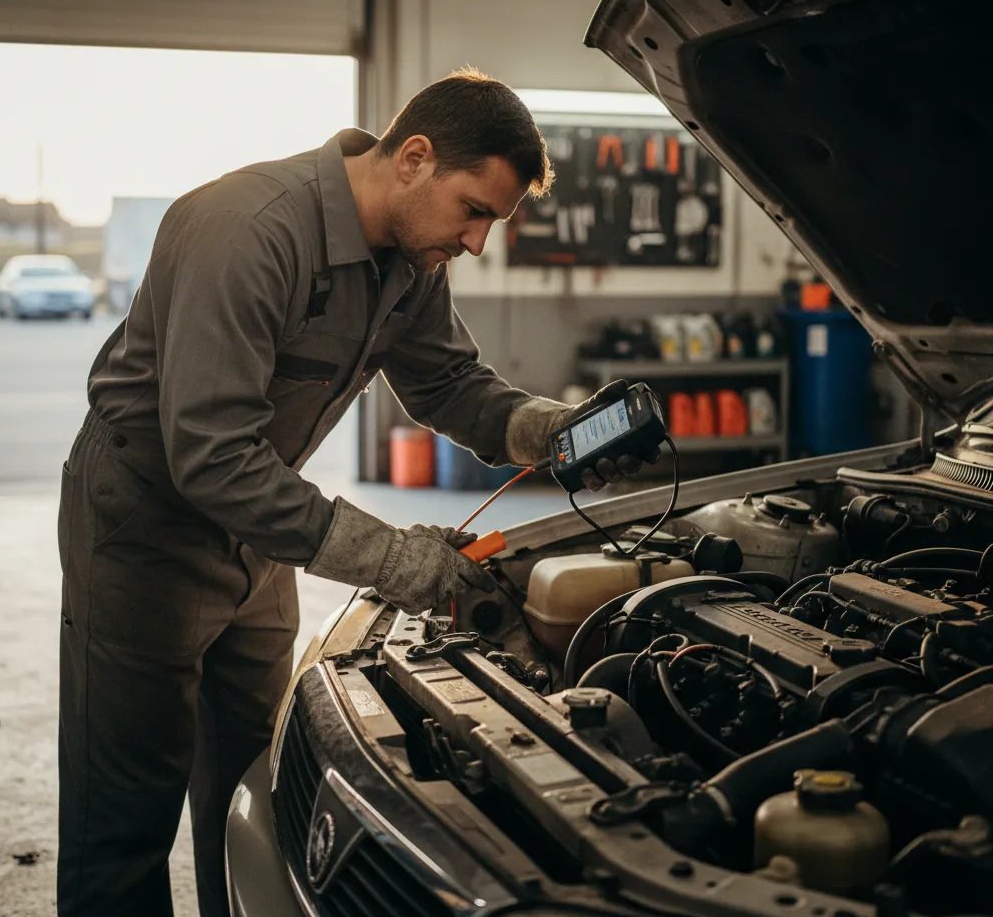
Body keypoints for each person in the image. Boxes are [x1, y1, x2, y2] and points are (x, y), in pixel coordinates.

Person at [57, 67, 644, 917]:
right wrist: (394, 559)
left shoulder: (411, 255)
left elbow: (449, 385)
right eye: (475, 211)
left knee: (250, 790)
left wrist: (556, 432)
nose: (478, 242)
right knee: (124, 815)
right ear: (413, 157)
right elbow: (212, 456)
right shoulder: (246, 230)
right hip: (146, 528)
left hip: (263, 528)